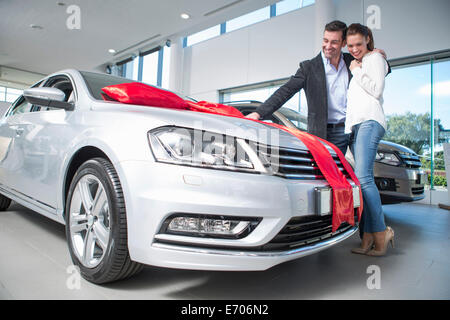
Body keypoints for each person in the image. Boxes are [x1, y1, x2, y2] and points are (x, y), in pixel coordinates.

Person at [246, 20, 390, 155]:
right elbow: (286, 91)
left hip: (352, 127)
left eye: (334, 42)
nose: (328, 46)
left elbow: (380, 70)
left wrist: (377, 55)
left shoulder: (351, 61)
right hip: (324, 132)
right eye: (325, 40)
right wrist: (259, 113)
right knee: (327, 174)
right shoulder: (309, 68)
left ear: (344, 43)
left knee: (359, 173)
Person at [345, 23, 394, 256]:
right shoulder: (363, 61)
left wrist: (356, 69)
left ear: (368, 40)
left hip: (370, 122)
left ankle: (382, 232)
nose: (355, 49)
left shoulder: (373, 58)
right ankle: (367, 238)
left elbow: (376, 90)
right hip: (358, 125)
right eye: (351, 45)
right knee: (360, 182)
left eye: (359, 44)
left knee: (364, 179)